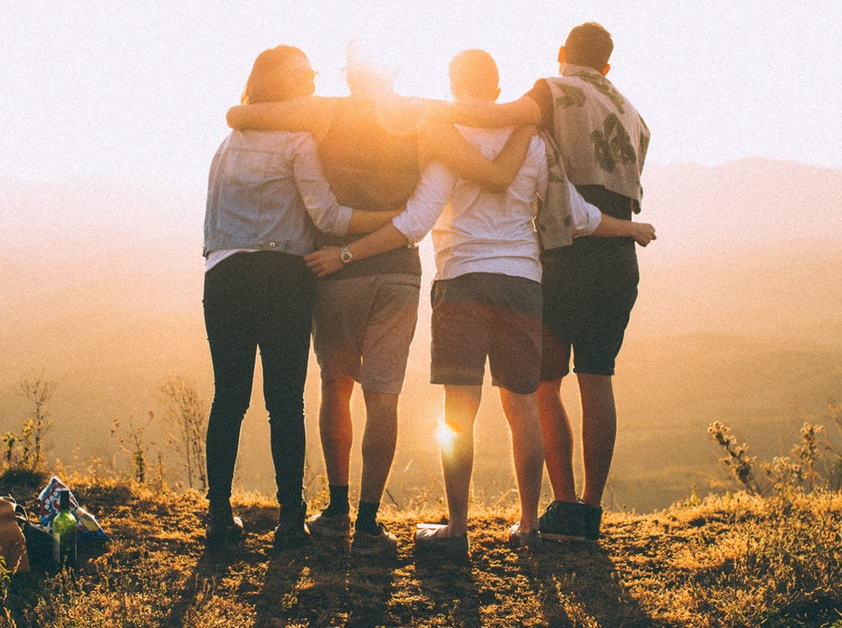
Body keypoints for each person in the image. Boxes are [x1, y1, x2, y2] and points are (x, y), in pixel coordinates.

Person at [305, 49, 654, 556]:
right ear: (496, 89)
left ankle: (457, 529)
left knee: (458, 413)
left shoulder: (447, 139)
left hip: (461, 282)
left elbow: (416, 222)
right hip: (522, 286)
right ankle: (530, 526)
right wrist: (631, 228)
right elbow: (577, 215)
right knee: (523, 408)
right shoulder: (533, 142)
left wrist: (347, 253)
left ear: (453, 84)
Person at [226, 40, 532, 555]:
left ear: (350, 77)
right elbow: (491, 174)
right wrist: (528, 123)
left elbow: (240, 115)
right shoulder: (422, 119)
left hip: (335, 268)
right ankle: (369, 523)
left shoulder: (323, 113)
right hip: (398, 272)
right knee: (383, 396)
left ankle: (337, 508)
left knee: (336, 385)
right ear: (394, 71)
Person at [429, 23, 652, 542]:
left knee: (542, 386)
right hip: (616, 254)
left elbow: (497, 116)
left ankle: (562, 505)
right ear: (608, 66)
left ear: (561, 55)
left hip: (565, 251)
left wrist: (423, 111)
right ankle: (588, 514)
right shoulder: (635, 115)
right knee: (598, 378)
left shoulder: (553, 91)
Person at [202, 45, 401, 551]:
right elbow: (329, 219)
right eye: (304, 76)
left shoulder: (227, 144)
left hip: (223, 275)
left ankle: (219, 517)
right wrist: (393, 220)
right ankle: (291, 520)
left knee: (229, 398)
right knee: (284, 403)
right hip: (282, 278)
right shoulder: (298, 142)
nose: (312, 82)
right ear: (280, 85)